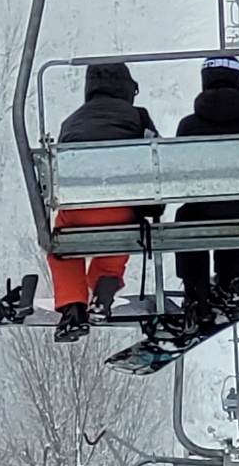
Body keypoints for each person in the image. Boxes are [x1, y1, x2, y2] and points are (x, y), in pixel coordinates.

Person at [50, 62, 162, 343]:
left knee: (60, 245)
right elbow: (157, 162)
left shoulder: (72, 121)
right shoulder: (138, 117)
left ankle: (73, 307)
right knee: (122, 230)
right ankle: (103, 286)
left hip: (76, 211)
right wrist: (151, 210)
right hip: (120, 210)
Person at [171, 55, 239, 335]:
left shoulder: (188, 125)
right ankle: (231, 282)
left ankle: (196, 293)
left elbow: (177, 174)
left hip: (202, 209)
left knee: (187, 217)